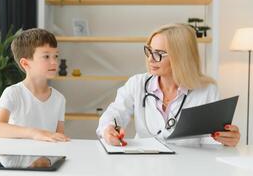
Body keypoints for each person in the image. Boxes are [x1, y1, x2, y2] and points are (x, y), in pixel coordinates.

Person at [96, 23, 240, 147]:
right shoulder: (137, 83)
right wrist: (108, 129)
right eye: (149, 51)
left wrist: (226, 140)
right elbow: (115, 112)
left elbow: (212, 143)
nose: (151, 59)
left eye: (159, 53)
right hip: (144, 166)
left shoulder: (207, 91)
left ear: (181, 57)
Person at [0, 28, 69, 142]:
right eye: (46, 56)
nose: (54, 62)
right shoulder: (13, 93)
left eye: (55, 56)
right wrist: (35, 133)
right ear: (25, 63)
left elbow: (59, 138)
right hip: (18, 157)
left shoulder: (59, 99)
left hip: (46, 158)